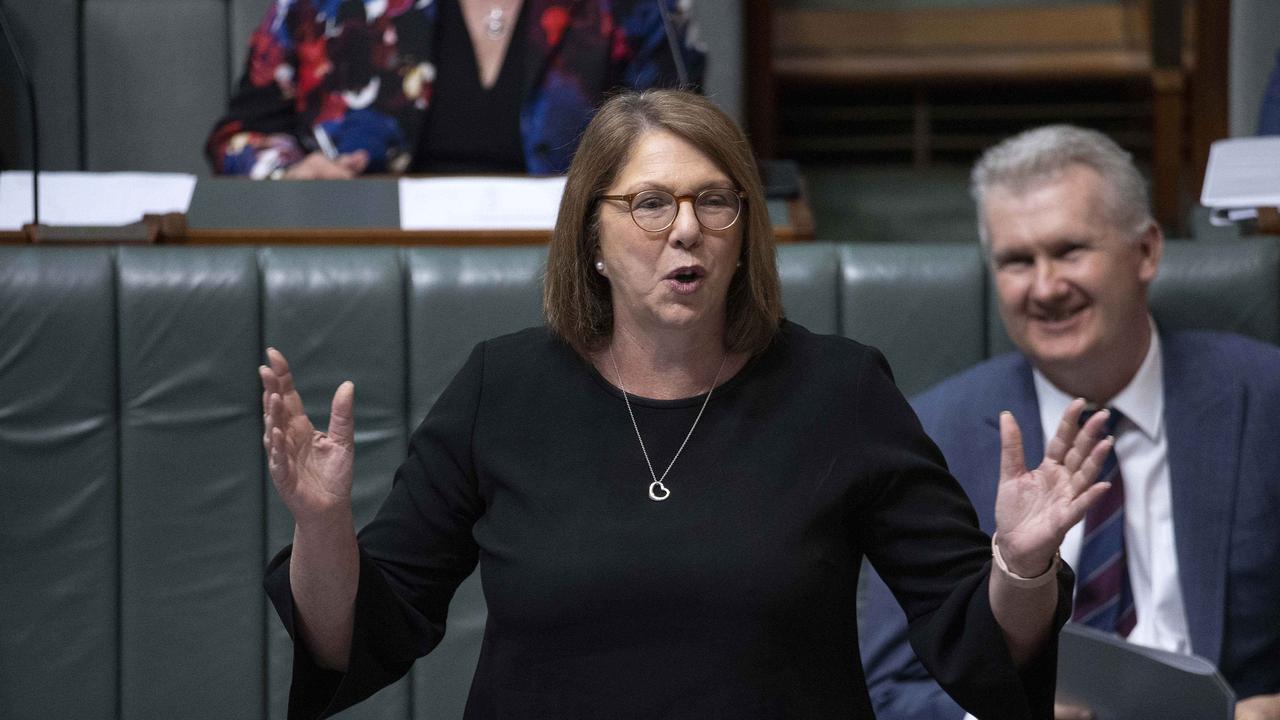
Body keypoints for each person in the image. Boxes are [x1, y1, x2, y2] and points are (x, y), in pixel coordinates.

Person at [259, 90, 1111, 718]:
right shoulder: (502, 388)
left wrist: (1023, 563)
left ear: (743, 234)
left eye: (715, 200)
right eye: (649, 203)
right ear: (591, 236)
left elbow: (983, 650)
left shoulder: (840, 392)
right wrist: (323, 523)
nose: (687, 229)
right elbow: (358, 639)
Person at [859, 125, 1280, 720]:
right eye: (1016, 261)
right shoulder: (934, 432)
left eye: (1069, 251)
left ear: (1147, 251)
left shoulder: (1265, 397)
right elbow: (890, 688)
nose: (1046, 287)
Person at [207, 0, 704, 179]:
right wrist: (293, 172)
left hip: (580, 259)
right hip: (374, 259)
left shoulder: (633, 6)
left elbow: (679, 142)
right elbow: (235, 138)